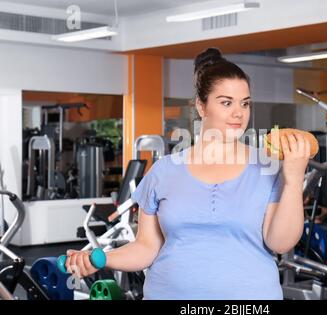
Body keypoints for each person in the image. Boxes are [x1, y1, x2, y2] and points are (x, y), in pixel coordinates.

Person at [64, 47, 311, 300]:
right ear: (201, 107)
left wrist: (293, 179)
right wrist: (101, 259)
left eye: (245, 103)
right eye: (226, 102)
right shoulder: (164, 170)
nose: (239, 113)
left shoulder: (267, 166)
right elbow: (147, 248)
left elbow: (280, 243)